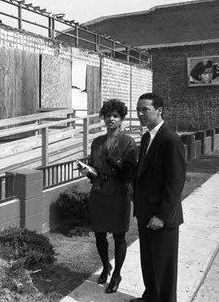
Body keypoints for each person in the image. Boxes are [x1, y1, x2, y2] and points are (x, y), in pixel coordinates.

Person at [131, 93, 186, 302]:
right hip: (145, 212)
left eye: (145, 109)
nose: (141, 113)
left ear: (159, 110)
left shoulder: (170, 140)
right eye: (138, 109)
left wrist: (162, 216)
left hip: (162, 217)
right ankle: (150, 297)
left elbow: (175, 182)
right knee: (149, 261)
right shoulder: (146, 138)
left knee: (164, 267)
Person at [80, 99, 137, 294]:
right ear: (103, 118)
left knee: (119, 236)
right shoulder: (96, 142)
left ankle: (117, 274)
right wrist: (87, 171)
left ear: (121, 119)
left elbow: (128, 174)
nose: (111, 119)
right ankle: (106, 266)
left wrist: (113, 161)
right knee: (99, 234)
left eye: (115, 116)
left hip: (119, 194)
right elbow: (94, 169)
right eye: (108, 115)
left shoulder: (128, 142)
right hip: (98, 193)